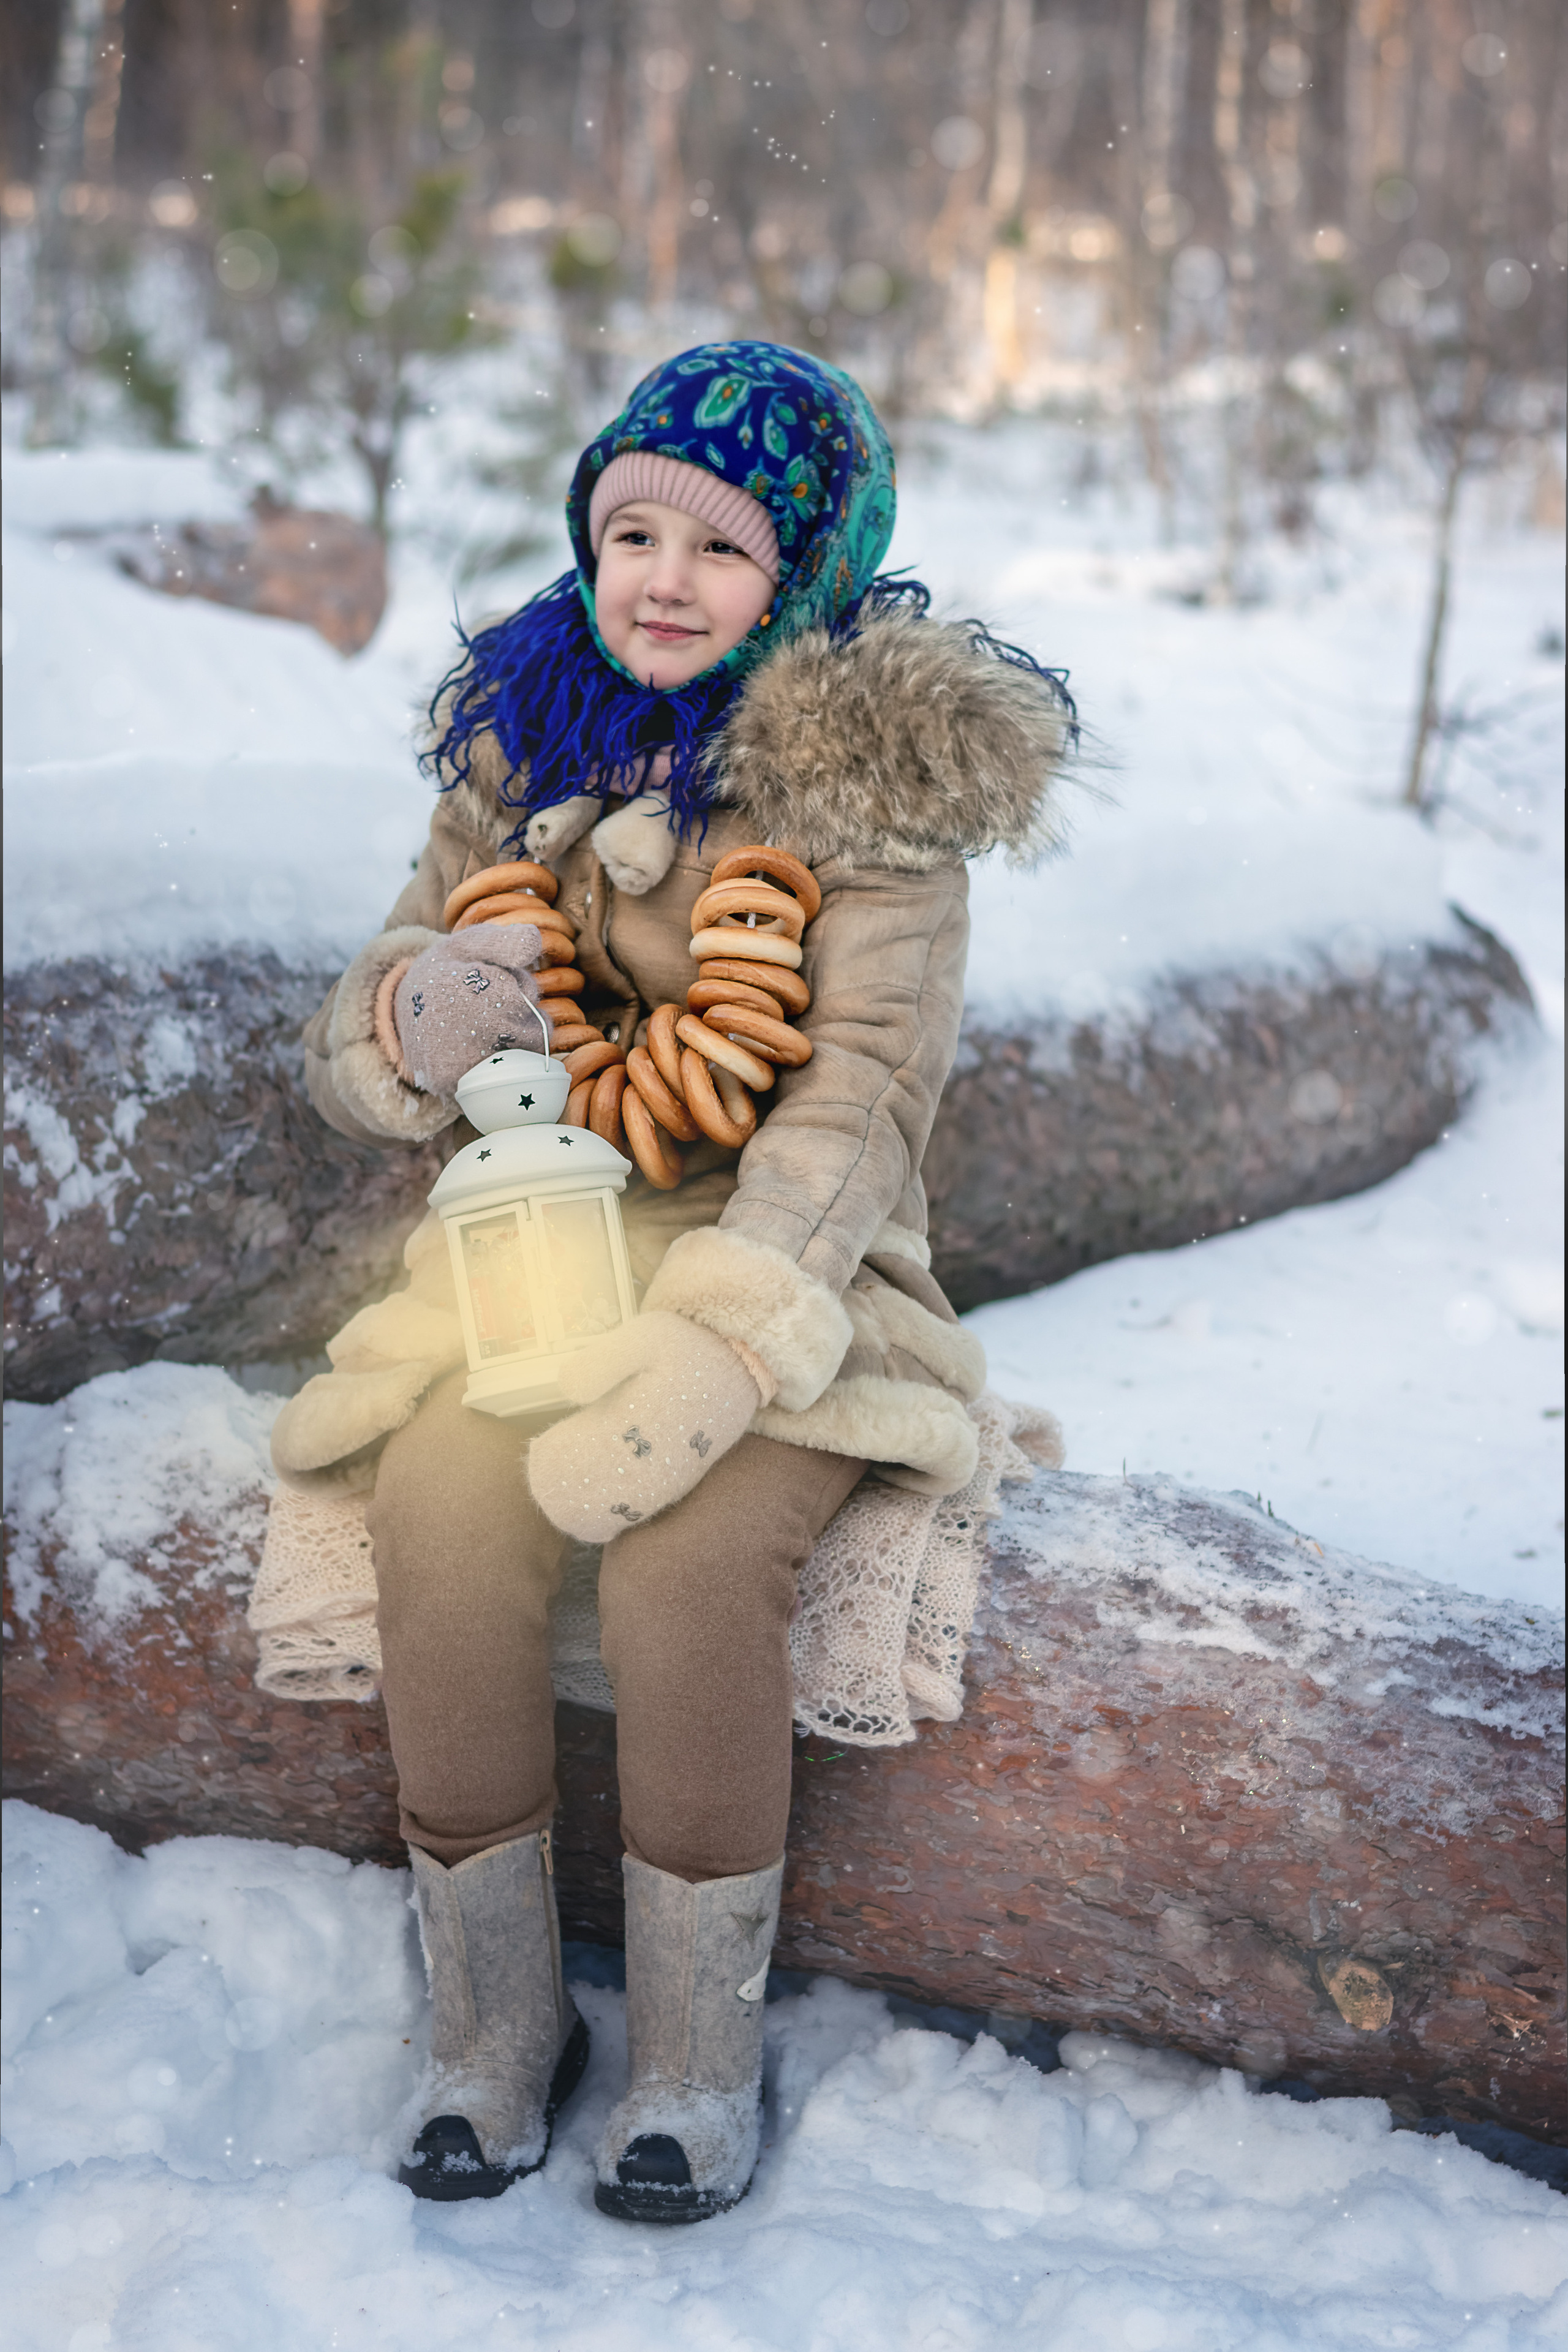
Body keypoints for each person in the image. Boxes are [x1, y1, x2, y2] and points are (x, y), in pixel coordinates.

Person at [282, 341, 1074, 2223]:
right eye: (625, 529)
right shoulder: (526, 743)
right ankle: (491, 2026)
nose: (655, 577)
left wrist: (724, 1351)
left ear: (794, 576)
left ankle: (696, 2066)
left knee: (690, 1561)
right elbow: (367, 1018)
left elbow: (858, 1102)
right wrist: (405, 1015)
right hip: (536, 1253)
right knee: (448, 1504)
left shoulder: (874, 799)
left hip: (794, 1279)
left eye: (710, 550)